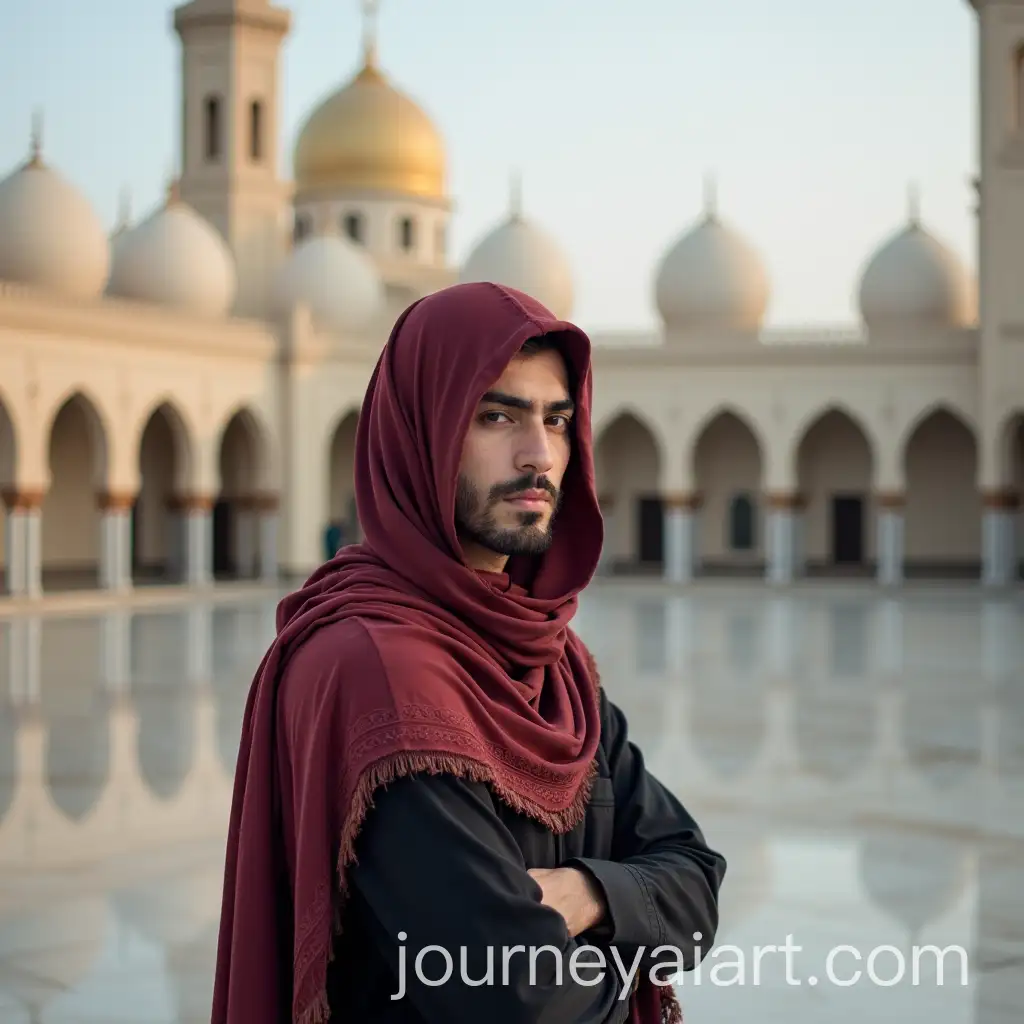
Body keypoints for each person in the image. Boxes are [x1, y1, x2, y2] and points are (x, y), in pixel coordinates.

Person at [211, 282, 726, 1024]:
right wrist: (631, 920)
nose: (538, 455)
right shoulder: (376, 672)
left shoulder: (554, 662)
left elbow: (699, 885)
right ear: (420, 434)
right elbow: (519, 999)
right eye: (495, 416)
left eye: (556, 419)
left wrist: (583, 894)